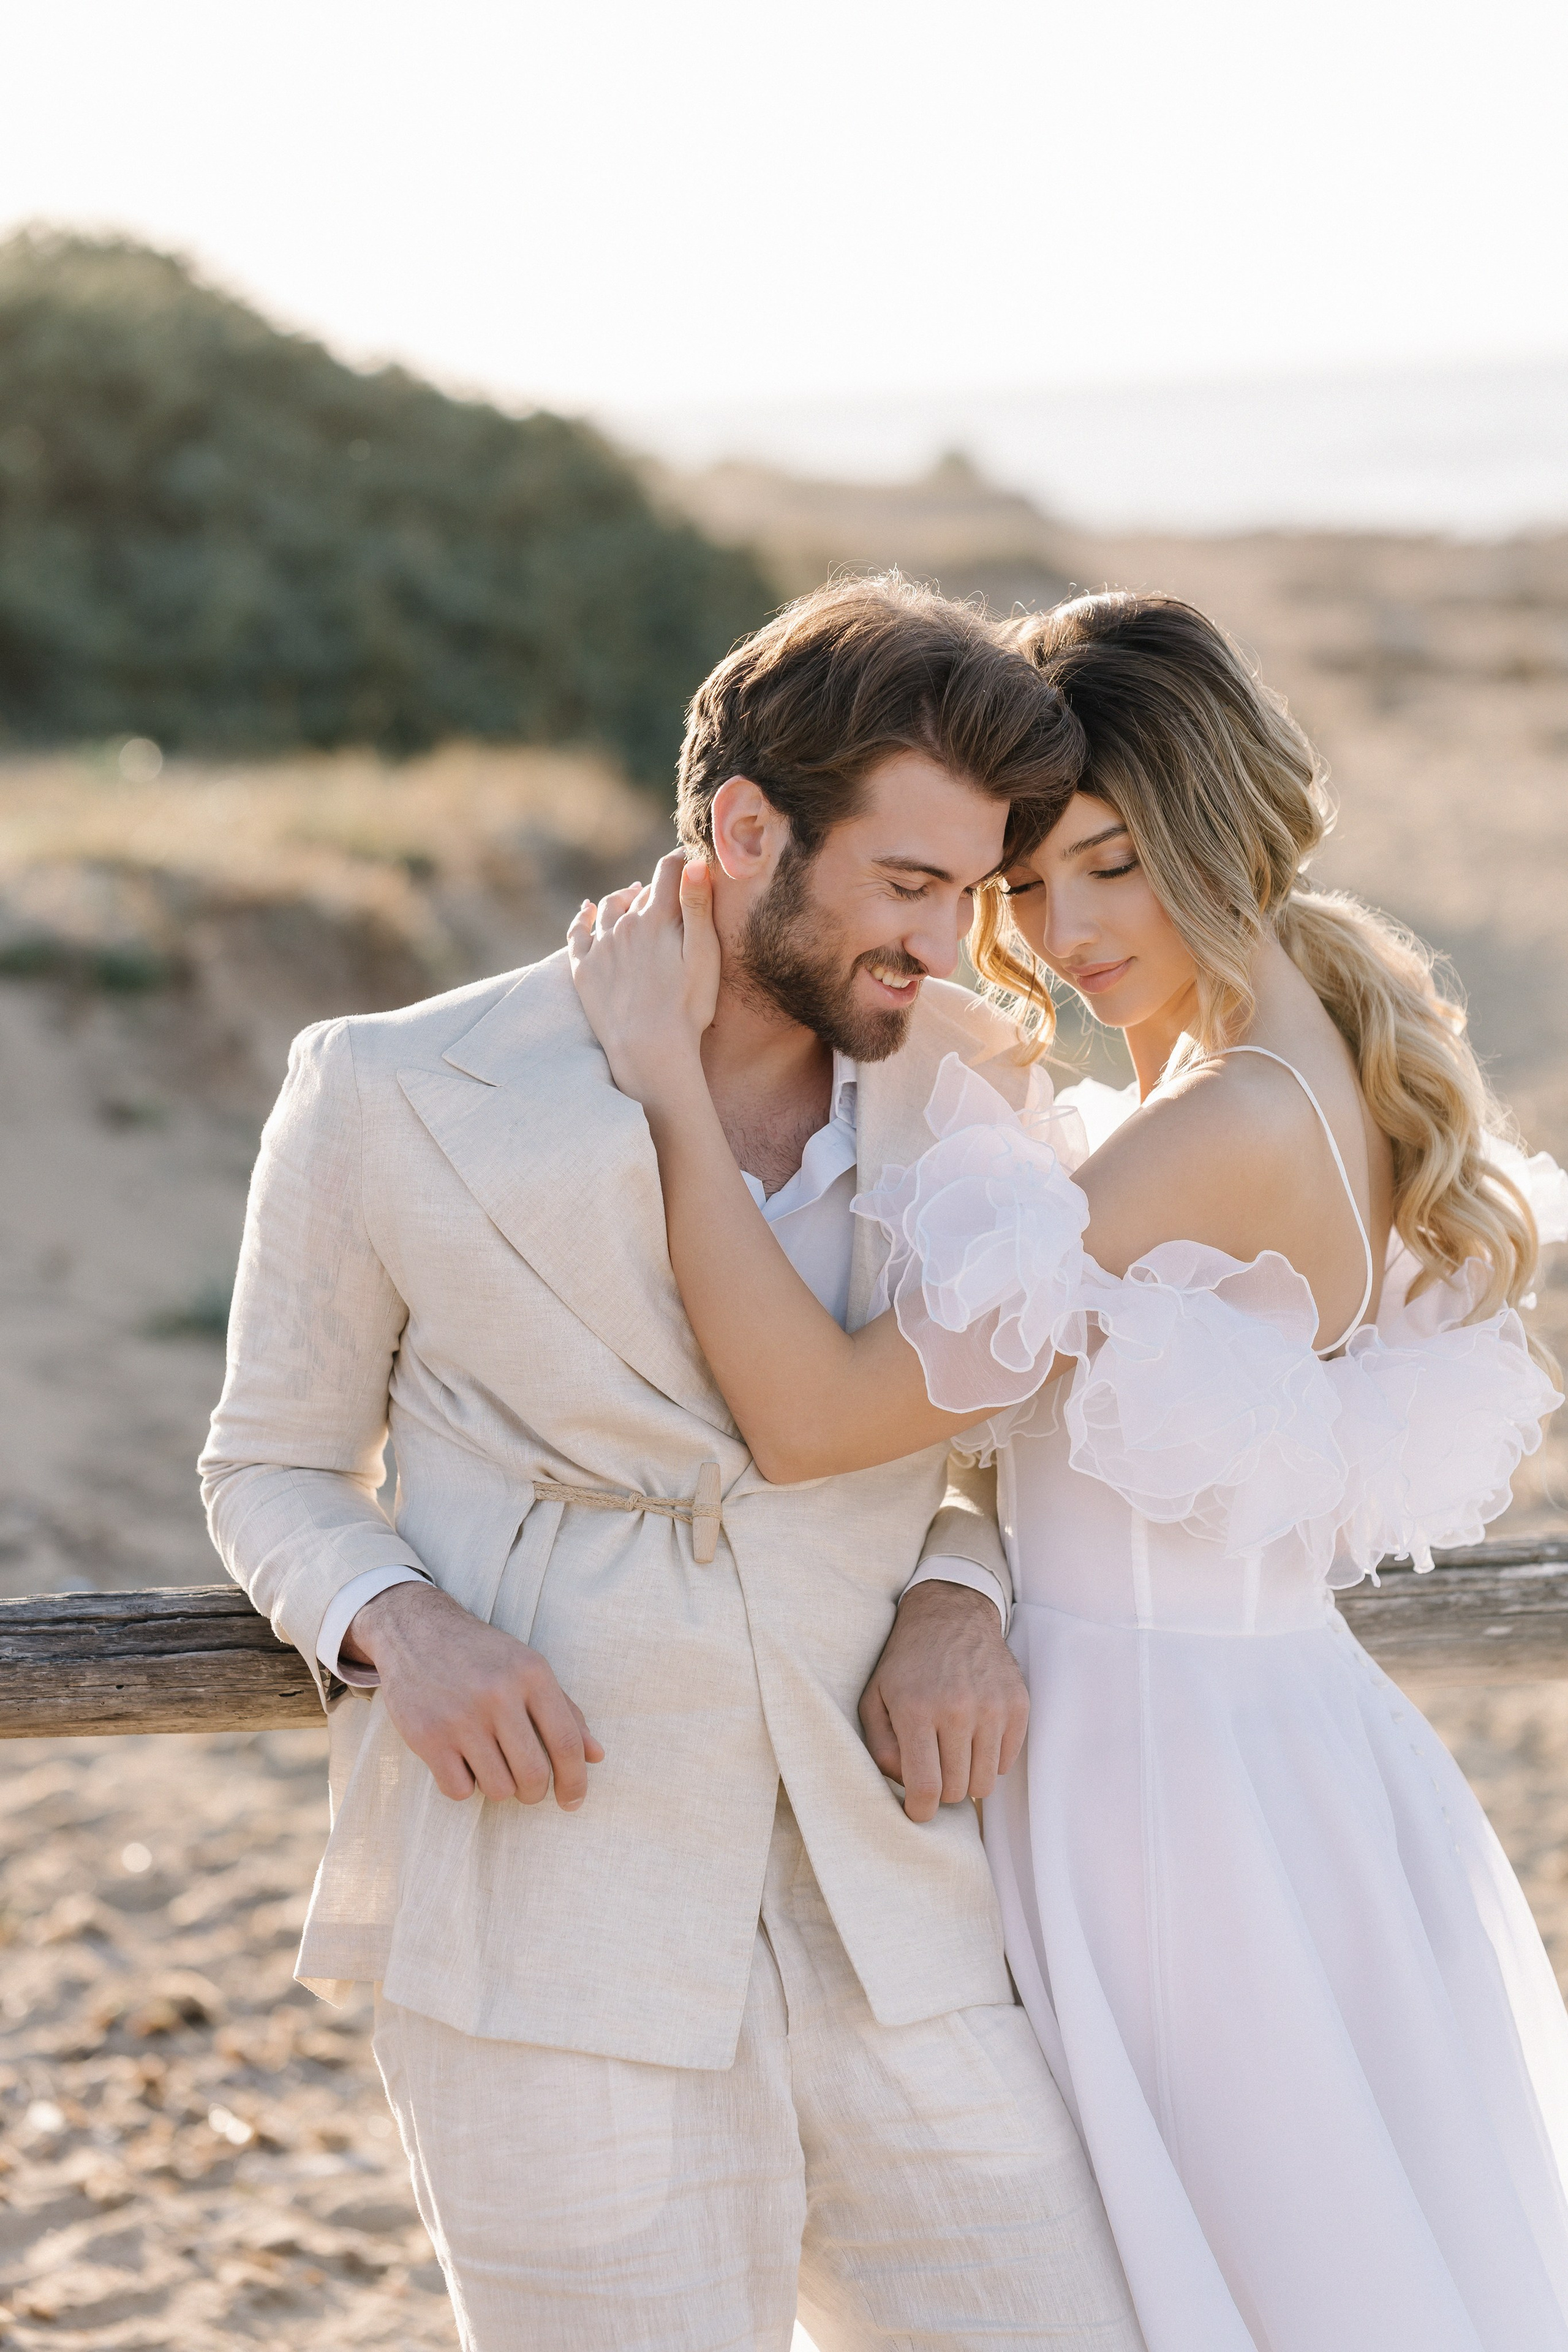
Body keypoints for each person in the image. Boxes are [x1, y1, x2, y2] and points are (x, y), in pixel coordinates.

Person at [568, 590, 1568, 2352]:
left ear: (1223, 820)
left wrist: (665, 1090)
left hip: (1163, 1792)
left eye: (1113, 863)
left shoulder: (1224, 1124)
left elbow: (817, 1419)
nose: (1065, 929)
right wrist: (963, 1569)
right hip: (1266, 1757)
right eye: (1024, 883)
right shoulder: (1305, 1054)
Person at [200, 576, 1145, 2352]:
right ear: (749, 831)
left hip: (903, 1903)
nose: (947, 947)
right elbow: (268, 1464)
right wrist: (404, 1625)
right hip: (557, 1910)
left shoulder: (973, 1084)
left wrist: (960, 1590)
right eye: (909, 884)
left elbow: (1001, 1452)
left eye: (970, 893)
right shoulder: (392, 1088)